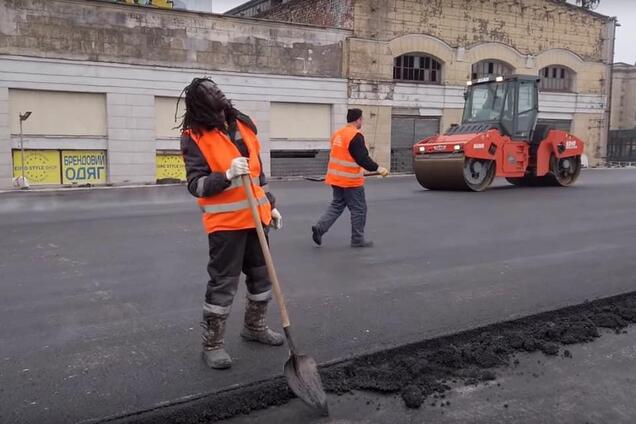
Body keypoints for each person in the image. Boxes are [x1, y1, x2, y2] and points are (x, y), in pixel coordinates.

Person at [179, 77, 284, 369]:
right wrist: (225, 176)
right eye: (210, 92)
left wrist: (271, 206)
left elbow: (258, 178)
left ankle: (255, 327)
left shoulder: (244, 125)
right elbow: (196, 185)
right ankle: (212, 344)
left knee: (262, 277)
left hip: (257, 218)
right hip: (226, 226)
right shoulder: (195, 136)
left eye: (217, 87)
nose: (218, 92)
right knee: (223, 283)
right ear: (200, 103)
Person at [312, 108, 389, 248]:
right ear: (358, 119)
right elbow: (362, 158)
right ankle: (357, 239)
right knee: (359, 209)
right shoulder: (355, 135)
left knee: (337, 205)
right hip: (351, 181)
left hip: (336, 179)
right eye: (362, 119)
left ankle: (320, 228)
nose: (362, 122)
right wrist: (378, 168)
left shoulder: (338, 134)